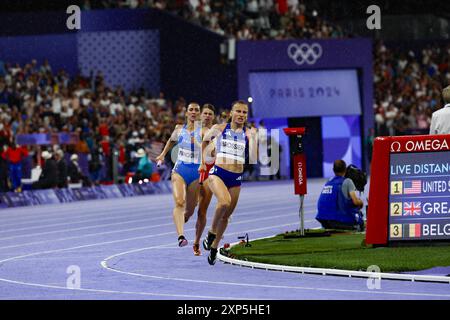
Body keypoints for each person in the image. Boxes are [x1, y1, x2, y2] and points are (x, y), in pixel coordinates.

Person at [200, 101, 258, 265]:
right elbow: (204, 142)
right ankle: (211, 233)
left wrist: (254, 140)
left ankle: (214, 248)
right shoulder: (219, 128)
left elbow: (254, 157)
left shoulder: (248, 132)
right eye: (238, 111)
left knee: (226, 216)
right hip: (218, 173)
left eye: (244, 112)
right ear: (231, 113)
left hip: (236, 177)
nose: (241, 114)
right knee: (224, 202)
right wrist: (203, 162)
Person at [156, 102, 202, 247]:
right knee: (179, 202)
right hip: (180, 170)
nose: (193, 112)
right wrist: (162, 155)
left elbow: (211, 150)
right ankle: (181, 236)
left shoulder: (204, 131)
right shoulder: (179, 129)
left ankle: (184, 218)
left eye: (196, 110)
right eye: (191, 110)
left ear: (199, 113)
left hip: (196, 173)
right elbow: (171, 141)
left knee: (190, 209)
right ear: (186, 113)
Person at [184, 104, 216, 256]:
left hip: (209, 172)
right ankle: (182, 220)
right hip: (193, 170)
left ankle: (196, 242)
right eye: (205, 113)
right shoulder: (193, 130)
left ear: (213, 116)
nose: (207, 116)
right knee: (189, 210)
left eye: (210, 113)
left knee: (202, 211)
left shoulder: (216, 131)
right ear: (201, 115)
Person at [316, 160, 365, 231]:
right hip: (340, 220)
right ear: (345, 169)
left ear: (333, 170)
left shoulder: (329, 181)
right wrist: (361, 202)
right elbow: (355, 202)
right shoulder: (348, 181)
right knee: (359, 217)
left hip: (324, 220)